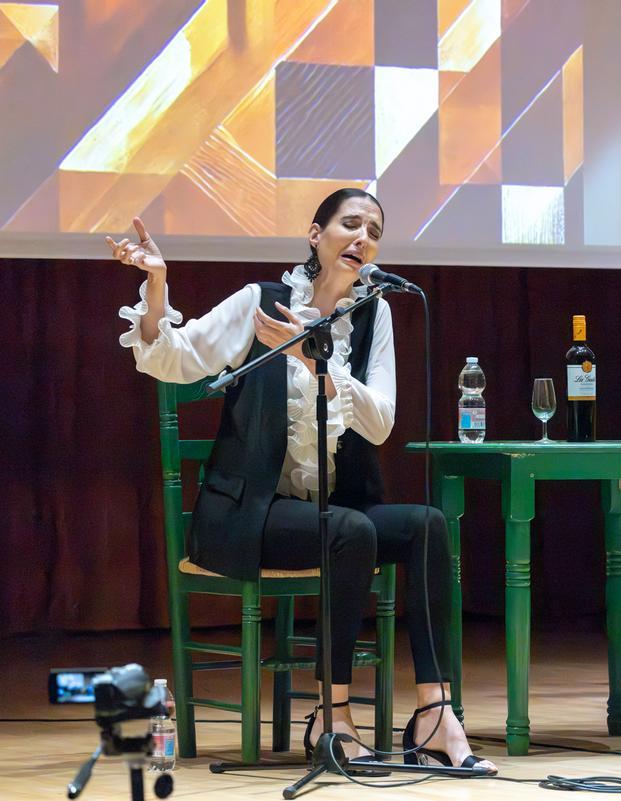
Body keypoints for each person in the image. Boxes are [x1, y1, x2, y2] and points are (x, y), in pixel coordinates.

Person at [108, 188, 497, 772]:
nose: (362, 237)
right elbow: (174, 359)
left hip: (332, 513)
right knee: (349, 532)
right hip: (248, 514)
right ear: (316, 234)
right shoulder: (260, 303)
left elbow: (381, 421)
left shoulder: (375, 314)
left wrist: (322, 368)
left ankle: (436, 714)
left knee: (425, 525)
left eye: (374, 230)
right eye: (349, 224)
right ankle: (333, 718)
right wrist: (158, 283)